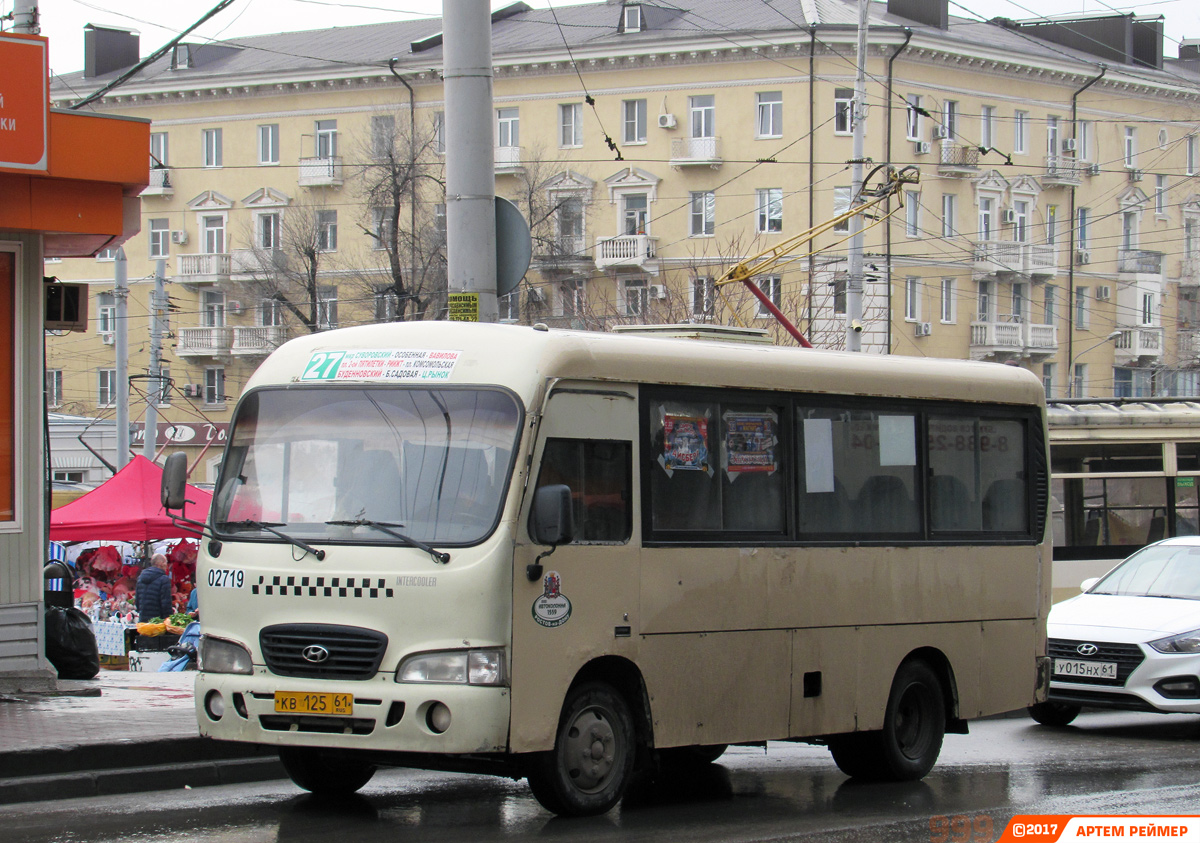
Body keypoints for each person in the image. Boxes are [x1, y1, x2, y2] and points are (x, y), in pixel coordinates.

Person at [136, 553, 173, 621]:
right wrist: (169, 620)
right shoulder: (164, 579)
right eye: (166, 563)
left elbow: (137, 602)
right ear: (162, 563)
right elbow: (166, 604)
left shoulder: (140, 578)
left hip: (143, 621)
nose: (166, 566)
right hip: (158, 622)